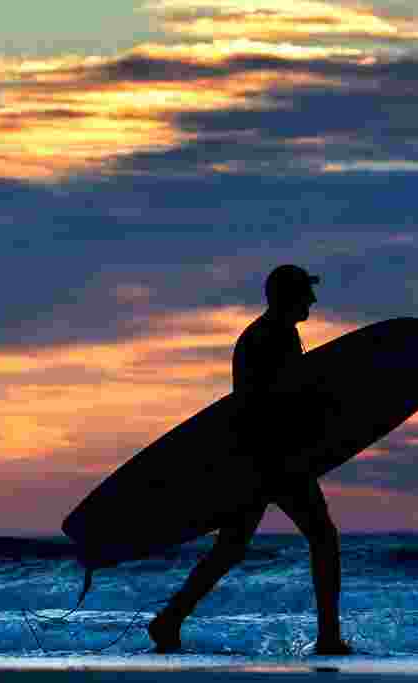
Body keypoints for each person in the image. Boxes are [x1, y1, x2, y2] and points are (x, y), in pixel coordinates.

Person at [148, 264, 354, 655]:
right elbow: (273, 402)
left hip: (256, 460)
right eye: (305, 293)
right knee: (323, 538)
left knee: (231, 549)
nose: (312, 300)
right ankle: (328, 636)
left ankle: (169, 619)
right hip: (275, 459)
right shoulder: (270, 337)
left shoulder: (271, 334)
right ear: (286, 296)